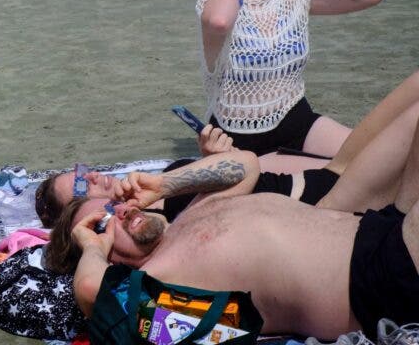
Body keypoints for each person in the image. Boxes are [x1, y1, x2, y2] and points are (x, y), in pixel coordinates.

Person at [45, 82, 419, 339]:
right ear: (108, 259)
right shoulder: (161, 284)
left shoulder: (188, 219)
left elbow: (245, 166)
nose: (121, 213)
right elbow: (93, 291)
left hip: (378, 226)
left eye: (114, 207)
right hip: (381, 278)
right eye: (105, 224)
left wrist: (164, 185)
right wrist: (91, 246)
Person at [36, 69, 419, 228]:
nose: (95, 176)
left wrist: (209, 160)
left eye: (83, 171)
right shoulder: (148, 225)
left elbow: (230, 185)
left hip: (328, 172)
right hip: (330, 198)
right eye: (84, 187)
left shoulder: (145, 187)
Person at [198, 0, 383, 164]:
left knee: (379, 159)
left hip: (296, 119)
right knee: (328, 176)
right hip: (236, 138)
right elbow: (220, 22)